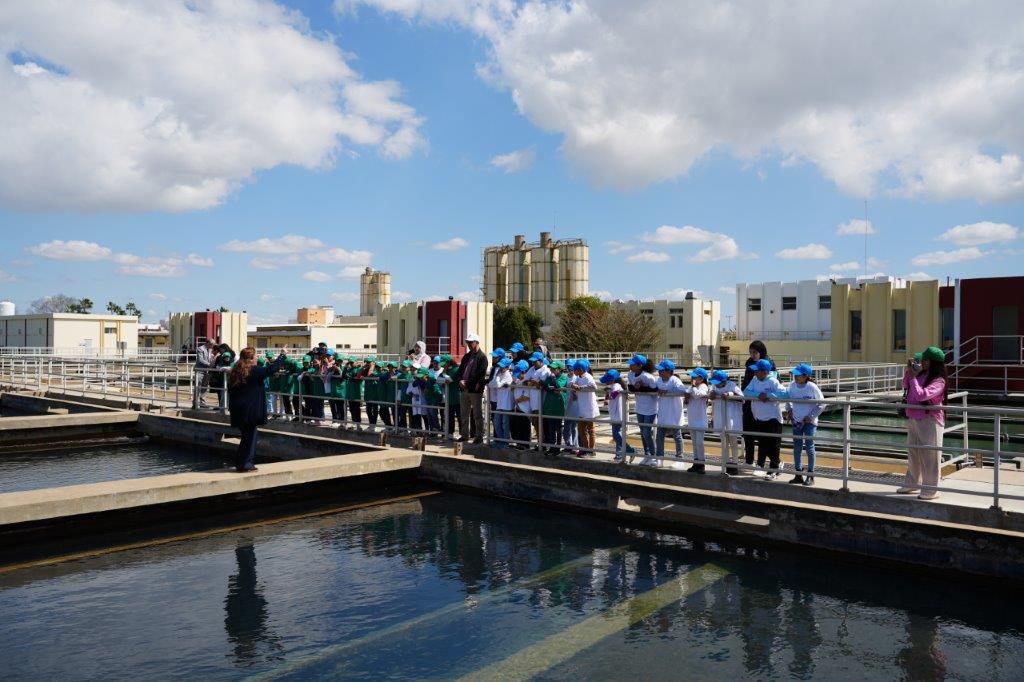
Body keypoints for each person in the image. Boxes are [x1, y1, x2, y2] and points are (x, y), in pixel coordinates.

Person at [227, 347, 288, 472]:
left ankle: (241, 463)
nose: (256, 358)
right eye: (255, 356)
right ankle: (246, 464)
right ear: (251, 358)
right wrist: (282, 356)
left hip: (237, 409)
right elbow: (271, 370)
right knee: (250, 438)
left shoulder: (236, 371)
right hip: (249, 410)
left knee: (245, 437)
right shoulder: (253, 370)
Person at [898, 346, 947, 500]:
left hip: (930, 420)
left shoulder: (939, 381)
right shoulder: (921, 375)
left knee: (930, 456)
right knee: (913, 453)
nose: (922, 362)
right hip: (914, 417)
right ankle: (913, 483)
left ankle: (931, 489)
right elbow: (905, 385)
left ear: (933, 362)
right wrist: (910, 372)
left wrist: (913, 377)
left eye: (925, 360)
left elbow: (921, 395)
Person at [743, 358, 787, 479]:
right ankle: (777, 463)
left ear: (764, 371)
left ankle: (773, 470)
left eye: (757, 370)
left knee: (773, 445)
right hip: (759, 418)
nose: (755, 372)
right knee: (763, 445)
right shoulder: (755, 380)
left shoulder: (772, 381)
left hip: (773, 418)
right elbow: (746, 392)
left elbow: (785, 394)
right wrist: (758, 395)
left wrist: (769, 395)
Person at [784, 363, 825, 486]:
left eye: (798, 375)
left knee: (809, 447)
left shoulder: (812, 387)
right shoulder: (792, 385)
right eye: (794, 374)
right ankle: (798, 474)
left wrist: (811, 416)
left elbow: (822, 403)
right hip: (796, 420)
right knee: (797, 447)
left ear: (805, 376)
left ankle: (810, 475)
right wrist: (789, 411)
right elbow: (787, 399)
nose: (795, 377)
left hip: (809, 422)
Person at [741, 341, 776, 467]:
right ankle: (749, 460)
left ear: (761, 352)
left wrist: (765, 395)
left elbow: (774, 385)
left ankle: (766, 462)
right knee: (748, 432)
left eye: (755, 352)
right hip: (749, 402)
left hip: (763, 404)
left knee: (763, 436)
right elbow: (746, 384)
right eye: (750, 352)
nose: (752, 355)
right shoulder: (749, 363)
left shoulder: (768, 364)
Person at [709, 369, 744, 475]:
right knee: (724, 442)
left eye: (718, 382)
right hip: (721, 416)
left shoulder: (732, 385)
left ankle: (735, 464)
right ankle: (726, 463)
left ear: (724, 381)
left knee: (733, 441)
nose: (716, 384)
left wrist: (730, 394)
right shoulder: (714, 386)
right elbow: (710, 393)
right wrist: (711, 393)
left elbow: (742, 398)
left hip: (732, 417)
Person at [654, 359, 687, 468]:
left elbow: (682, 390)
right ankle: (660, 458)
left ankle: (679, 459)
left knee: (677, 436)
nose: (659, 372)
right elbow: (652, 388)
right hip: (663, 413)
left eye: (661, 370)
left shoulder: (675, 380)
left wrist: (667, 392)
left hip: (674, 413)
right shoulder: (658, 380)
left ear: (668, 371)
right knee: (659, 436)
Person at [456, 333, 488, 444]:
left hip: (475, 390)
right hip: (464, 389)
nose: (468, 344)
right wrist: (460, 380)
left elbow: (480, 374)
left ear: (476, 342)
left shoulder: (482, 357)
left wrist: (467, 383)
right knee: (464, 414)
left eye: (470, 342)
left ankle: (479, 436)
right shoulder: (466, 356)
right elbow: (460, 371)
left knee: (477, 415)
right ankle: (465, 435)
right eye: (468, 342)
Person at [628, 354, 659, 466]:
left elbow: (655, 391)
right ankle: (647, 454)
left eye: (632, 364)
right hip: (639, 407)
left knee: (646, 432)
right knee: (642, 432)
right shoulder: (630, 374)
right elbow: (630, 388)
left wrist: (640, 387)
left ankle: (653, 456)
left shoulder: (648, 377)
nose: (630, 366)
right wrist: (636, 387)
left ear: (639, 365)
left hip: (650, 408)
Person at [601, 369, 635, 463]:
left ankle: (630, 450)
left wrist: (608, 394)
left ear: (612, 380)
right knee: (617, 435)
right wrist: (607, 391)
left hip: (618, 415)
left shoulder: (616, 386)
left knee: (616, 435)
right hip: (615, 414)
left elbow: (614, 394)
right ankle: (619, 455)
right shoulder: (613, 385)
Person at [570, 358, 599, 457]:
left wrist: (580, 388)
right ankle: (585, 449)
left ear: (580, 369)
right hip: (582, 406)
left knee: (591, 430)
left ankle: (591, 450)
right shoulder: (578, 377)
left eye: (575, 369)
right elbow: (574, 384)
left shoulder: (588, 377)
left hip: (589, 407)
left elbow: (594, 387)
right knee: (581, 429)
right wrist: (573, 386)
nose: (574, 371)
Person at [541, 360, 569, 456]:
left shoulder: (563, 377)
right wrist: (552, 389)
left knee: (558, 428)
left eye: (554, 369)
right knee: (551, 428)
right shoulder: (550, 377)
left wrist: (553, 382)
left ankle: (558, 447)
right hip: (549, 406)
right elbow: (545, 386)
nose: (552, 370)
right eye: (551, 368)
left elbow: (558, 386)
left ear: (559, 369)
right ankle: (552, 447)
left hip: (558, 406)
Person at [686, 367, 711, 473]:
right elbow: (686, 396)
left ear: (701, 378)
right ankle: (696, 462)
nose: (693, 378)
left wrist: (693, 387)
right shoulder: (692, 387)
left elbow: (697, 395)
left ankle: (701, 464)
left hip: (700, 419)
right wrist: (688, 393)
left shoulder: (703, 386)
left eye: (695, 377)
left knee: (699, 442)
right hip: (692, 418)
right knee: (694, 442)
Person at [488, 358, 514, 448]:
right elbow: (490, 384)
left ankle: (505, 441)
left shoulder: (508, 376)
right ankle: (500, 440)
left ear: (507, 367)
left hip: (506, 404)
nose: (500, 368)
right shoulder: (499, 374)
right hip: (500, 403)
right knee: (496, 422)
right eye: (500, 366)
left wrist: (497, 377)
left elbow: (498, 385)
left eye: (502, 367)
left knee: (505, 423)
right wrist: (496, 376)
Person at [194, 339, 219, 408]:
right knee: (197, 387)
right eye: (212, 344)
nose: (213, 346)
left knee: (205, 387)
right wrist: (210, 365)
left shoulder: (210, 350)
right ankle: (195, 403)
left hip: (207, 371)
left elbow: (210, 358)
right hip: (200, 371)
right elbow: (200, 360)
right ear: (208, 343)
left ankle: (202, 403)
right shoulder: (200, 349)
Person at [563, 359, 579, 452]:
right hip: (567, 405)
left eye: (571, 367)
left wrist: (575, 394)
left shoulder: (576, 378)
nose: (569, 369)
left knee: (574, 427)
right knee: (566, 427)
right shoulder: (565, 378)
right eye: (568, 367)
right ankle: (568, 445)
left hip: (575, 405)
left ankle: (575, 446)